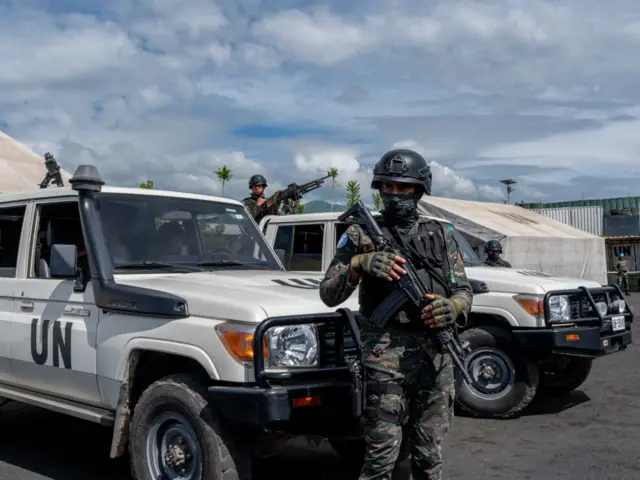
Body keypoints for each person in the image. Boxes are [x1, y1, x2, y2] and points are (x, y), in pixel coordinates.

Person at [319, 148, 473, 480]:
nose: (394, 194)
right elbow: (328, 293)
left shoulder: (441, 234)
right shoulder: (360, 235)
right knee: (381, 456)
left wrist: (454, 307)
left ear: (419, 190)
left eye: (403, 188)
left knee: (429, 453)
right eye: (387, 187)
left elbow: (464, 289)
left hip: (437, 357)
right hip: (384, 354)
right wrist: (359, 265)